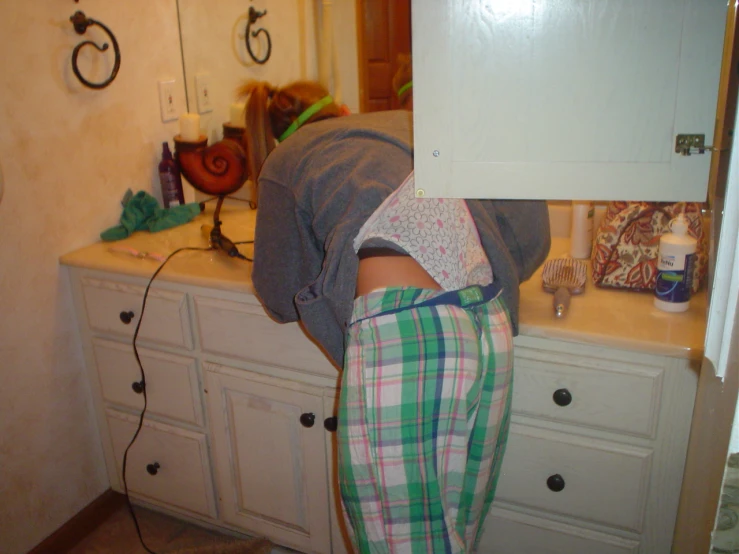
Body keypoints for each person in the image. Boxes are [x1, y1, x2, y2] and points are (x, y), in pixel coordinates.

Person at [241, 79, 550, 553]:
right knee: (456, 532)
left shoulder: (286, 159)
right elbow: (530, 234)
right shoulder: (410, 125)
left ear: (274, 138)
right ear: (345, 108)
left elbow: (278, 293)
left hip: (409, 333)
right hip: (490, 318)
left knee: (400, 543)